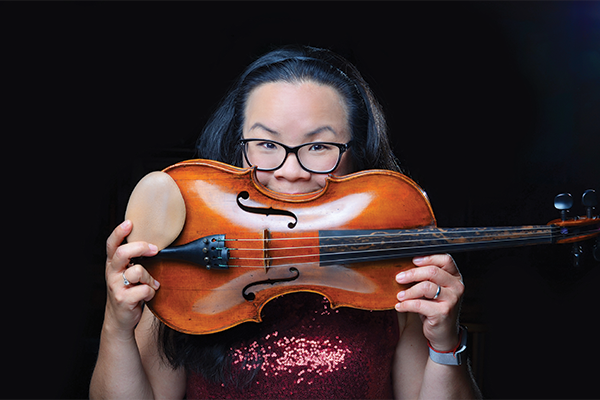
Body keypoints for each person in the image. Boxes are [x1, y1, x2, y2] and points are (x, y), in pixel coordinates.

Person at [90, 45, 481, 399]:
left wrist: (445, 344)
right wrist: (116, 323)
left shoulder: (390, 279)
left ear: (357, 156)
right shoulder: (188, 266)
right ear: (236, 147)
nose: (291, 171)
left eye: (318, 146)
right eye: (266, 144)